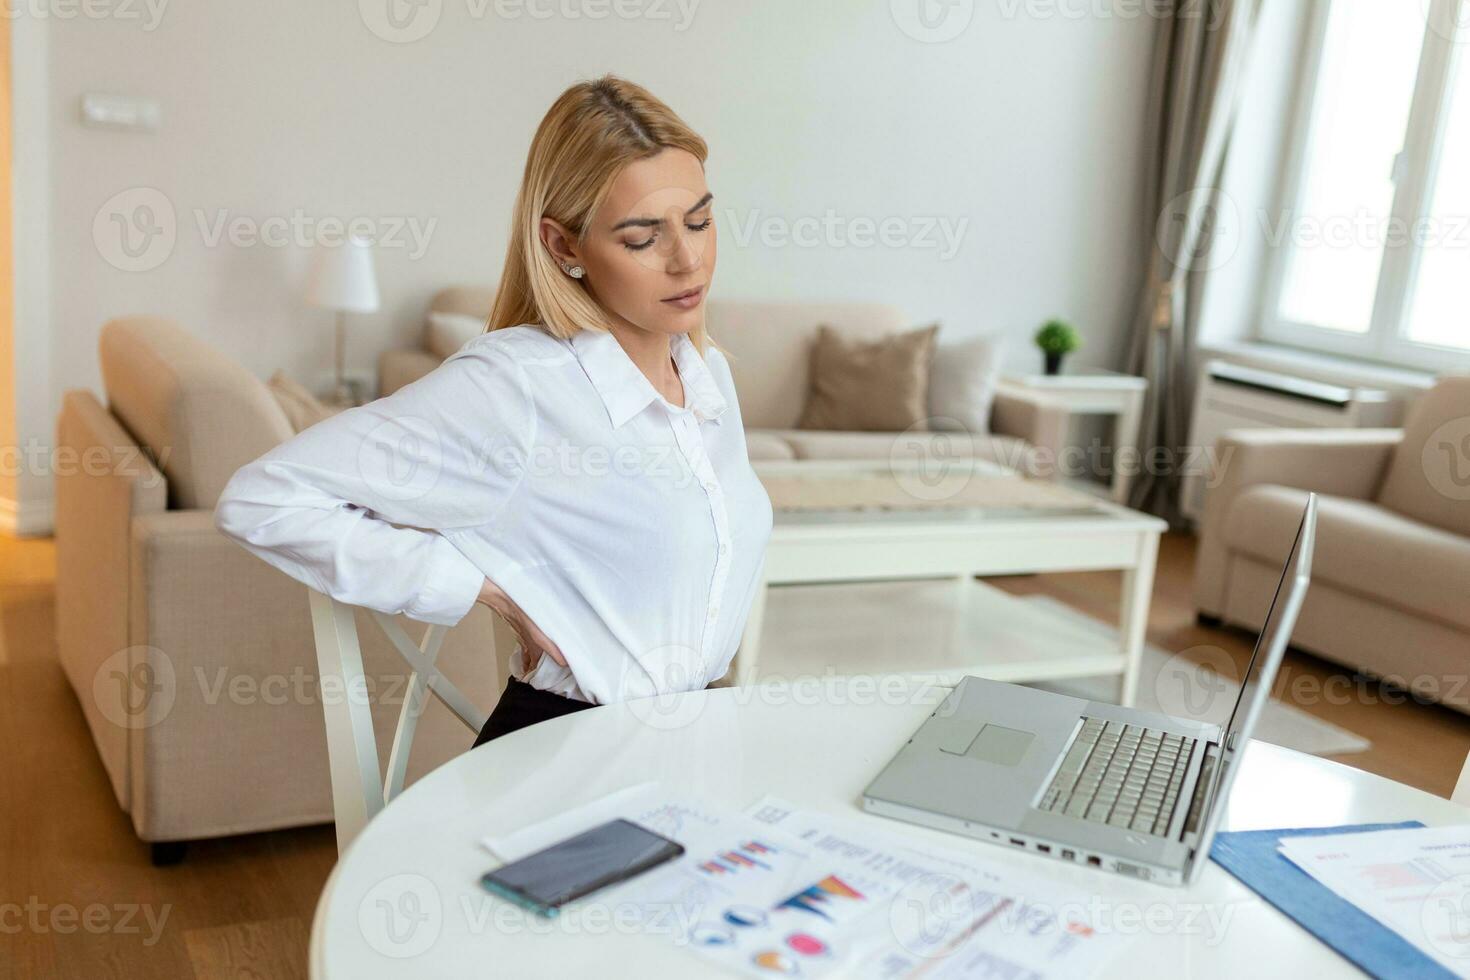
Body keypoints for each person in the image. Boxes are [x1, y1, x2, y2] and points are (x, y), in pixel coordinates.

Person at [214, 75, 774, 747]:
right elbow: (262, 499)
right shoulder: (518, 388)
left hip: (694, 741)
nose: (689, 260)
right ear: (564, 247)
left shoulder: (706, 371)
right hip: (571, 753)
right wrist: (479, 585)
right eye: (641, 238)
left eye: (700, 221)